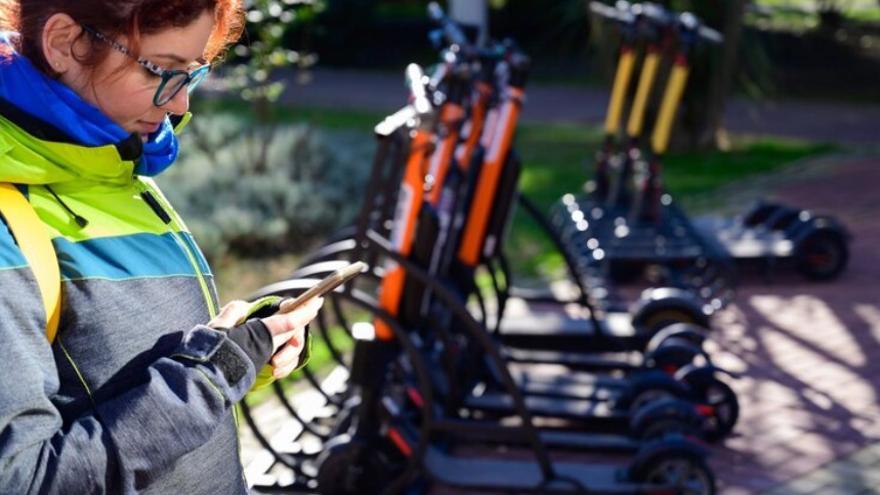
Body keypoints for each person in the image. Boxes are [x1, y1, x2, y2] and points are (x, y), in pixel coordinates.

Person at [0, 1, 322, 493]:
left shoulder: (119, 170)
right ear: (66, 43)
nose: (180, 105)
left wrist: (244, 351)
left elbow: (120, 376)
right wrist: (210, 377)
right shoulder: (11, 221)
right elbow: (24, 481)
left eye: (191, 74)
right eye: (162, 71)